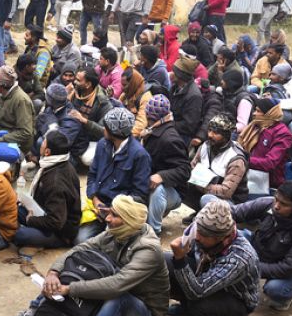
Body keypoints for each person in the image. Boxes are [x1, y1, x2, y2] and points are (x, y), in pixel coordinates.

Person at [0, 195, 166, 316]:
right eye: (110, 212)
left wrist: (70, 289)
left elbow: (117, 285)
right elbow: (80, 249)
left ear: (128, 221)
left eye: (115, 216)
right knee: (76, 265)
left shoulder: (148, 250)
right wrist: (54, 272)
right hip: (112, 301)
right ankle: (33, 314)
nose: (108, 218)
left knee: (118, 297)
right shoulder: (116, 232)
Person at [164, 199, 259, 316]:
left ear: (220, 237)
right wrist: (182, 256)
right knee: (165, 262)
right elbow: (191, 259)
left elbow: (197, 291)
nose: (197, 236)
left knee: (199, 304)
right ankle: (186, 309)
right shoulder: (202, 229)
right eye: (198, 230)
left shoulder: (239, 257)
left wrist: (180, 259)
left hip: (235, 298)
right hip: (207, 278)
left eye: (203, 235)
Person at [232, 181, 292, 311]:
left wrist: (249, 267)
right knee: (230, 233)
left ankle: (290, 292)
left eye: (284, 204)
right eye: (276, 199)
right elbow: (234, 212)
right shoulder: (268, 203)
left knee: (274, 289)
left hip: (286, 267)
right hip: (260, 249)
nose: (276, 206)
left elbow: (286, 268)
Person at [77, 107, 152, 242]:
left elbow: (139, 195)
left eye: (105, 127)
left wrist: (113, 210)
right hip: (98, 208)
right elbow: (92, 175)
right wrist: (95, 200)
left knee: (105, 244)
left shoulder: (139, 155)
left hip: (120, 215)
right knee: (79, 239)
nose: (103, 129)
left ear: (114, 131)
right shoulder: (102, 145)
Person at [13, 131, 82, 248]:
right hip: (42, 211)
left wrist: (31, 220)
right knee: (12, 208)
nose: (41, 143)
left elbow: (56, 222)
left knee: (19, 234)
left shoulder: (55, 182)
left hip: (61, 232)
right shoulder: (59, 163)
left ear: (47, 152)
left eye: (44, 142)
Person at [138, 95, 190, 235]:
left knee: (158, 191)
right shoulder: (151, 131)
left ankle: (153, 232)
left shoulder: (169, 139)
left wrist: (161, 176)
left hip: (172, 190)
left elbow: (185, 170)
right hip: (149, 182)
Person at [185, 114, 248, 211]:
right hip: (206, 187)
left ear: (226, 135)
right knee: (182, 184)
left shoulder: (236, 158)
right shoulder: (205, 146)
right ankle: (201, 214)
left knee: (207, 199)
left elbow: (226, 192)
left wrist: (200, 185)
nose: (210, 135)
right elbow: (192, 168)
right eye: (209, 130)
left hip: (230, 202)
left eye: (216, 132)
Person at [239, 98, 292, 191]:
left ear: (269, 113)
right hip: (246, 175)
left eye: (258, 111)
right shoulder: (255, 126)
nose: (254, 113)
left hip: (268, 183)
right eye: (255, 110)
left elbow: (270, 163)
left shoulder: (282, 133)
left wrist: (243, 159)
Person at [66, 66, 113, 164]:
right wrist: (64, 95)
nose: (74, 82)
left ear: (88, 84)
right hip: (73, 133)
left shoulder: (102, 102)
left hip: (90, 139)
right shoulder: (74, 92)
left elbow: (104, 131)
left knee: (87, 159)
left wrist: (84, 121)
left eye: (78, 80)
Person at [0, 65, 36, 156]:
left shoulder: (21, 100)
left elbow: (25, 133)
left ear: (1, 84)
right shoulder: (3, 94)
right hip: (2, 134)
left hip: (17, 144)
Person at [169, 55, 205, 144]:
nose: (170, 73)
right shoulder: (174, 88)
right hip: (172, 129)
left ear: (180, 75)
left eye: (174, 71)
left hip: (183, 137)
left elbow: (189, 126)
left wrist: (167, 123)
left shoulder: (194, 96)